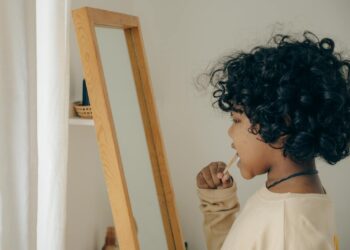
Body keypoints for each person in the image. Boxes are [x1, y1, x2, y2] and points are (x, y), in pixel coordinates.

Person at [196, 30, 349, 250]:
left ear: (280, 123)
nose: (230, 132)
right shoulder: (290, 202)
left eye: (237, 119)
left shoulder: (289, 230)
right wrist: (218, 205)